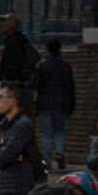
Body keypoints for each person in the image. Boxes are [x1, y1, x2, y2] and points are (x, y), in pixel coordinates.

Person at [30, 36, 77, 173]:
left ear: (46, 49)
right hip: (62, 105)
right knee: (59, 131)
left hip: (45, 104)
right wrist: (71, 106)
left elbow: (34, 84)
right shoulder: (66, 66)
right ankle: (60, 153)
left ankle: (47, 163)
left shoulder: (41, 65)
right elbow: (71, 87)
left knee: (45, 134)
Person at [0, 12, 32, 92]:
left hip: (12, 88)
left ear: (12, 25)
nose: (0, 24)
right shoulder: (15, 40)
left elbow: (12, 68)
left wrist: (4, 85)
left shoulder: (15, 42)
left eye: (4, 22)